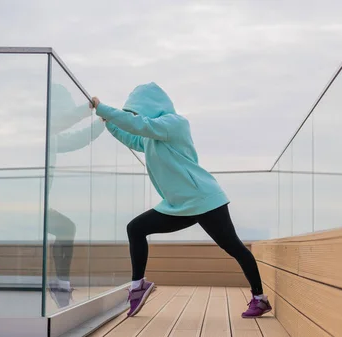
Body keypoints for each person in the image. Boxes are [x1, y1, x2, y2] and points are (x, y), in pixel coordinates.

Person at [91, 82, 271, 318]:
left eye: (136, 111)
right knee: (135, 228)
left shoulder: (174, 123)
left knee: (234, 247)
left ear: (150, 106)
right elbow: (133, 137)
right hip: (178, 206)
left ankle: (260, 298)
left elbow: (140, 125)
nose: (136, 116)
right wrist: (110, 124)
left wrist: (104, 109)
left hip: (205, 200)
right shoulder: (151, 135)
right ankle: (137, 286)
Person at [47, 84, 105, 308]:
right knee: (65, 227)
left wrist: (100, 124)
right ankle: (60, 284)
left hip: (37, 205)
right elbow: (61, 121)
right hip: (20, 205)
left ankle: (60, 284)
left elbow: (77, 139)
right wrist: (87, 107)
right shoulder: (41, 129)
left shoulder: (51, 137)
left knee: (66, 228)